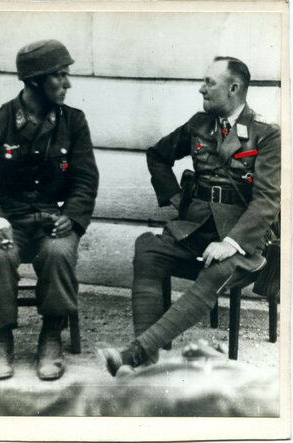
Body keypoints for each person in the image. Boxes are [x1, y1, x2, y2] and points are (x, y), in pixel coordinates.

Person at [99, 56, 280, 376]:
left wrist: (231, 242)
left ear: (234, 88)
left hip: (242, 242)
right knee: (148, 248)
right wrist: (176, 198)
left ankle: (136, 354)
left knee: (214, 270)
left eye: (209, 82)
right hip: (194, 231)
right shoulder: (199, 124)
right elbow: (157, 155)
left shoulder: (265, 134)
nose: (201, 89)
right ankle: (148, 357)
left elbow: (267, 200)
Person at [0, 40, 99, 380]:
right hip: (6, 220)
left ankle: (52, 335)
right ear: (35, 81)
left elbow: (85, 180)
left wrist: (70, 216)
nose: (67, 84)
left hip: (51, 221)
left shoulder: (74, 122)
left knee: (59, 251)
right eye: (60, 76)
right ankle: (0, 339)